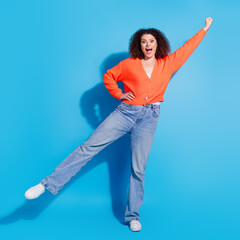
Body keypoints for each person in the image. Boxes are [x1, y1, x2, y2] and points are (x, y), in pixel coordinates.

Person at [25, 17, 213, 232]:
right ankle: (46, 185)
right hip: (125, 113)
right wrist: (120, 94)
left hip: (150, 117)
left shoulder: (167, 63)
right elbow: (108, 77)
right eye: (143, 41)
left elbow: (187, 49)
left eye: (151, 40)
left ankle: (133, 216)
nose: (148, 44)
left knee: (138, 168)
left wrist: (204, 29)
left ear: (157, 43)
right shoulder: (129, 64)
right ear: (139, 45)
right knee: (88, 148)